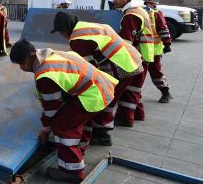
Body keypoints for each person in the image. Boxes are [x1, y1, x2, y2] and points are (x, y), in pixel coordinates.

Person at [10, 39, 117, 182]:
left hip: (92, 95)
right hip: (101, 88)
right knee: (77, 119)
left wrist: (46, 128)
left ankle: (72, 171)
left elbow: (52, 107)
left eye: (23, 63)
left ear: (32, 55)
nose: (22, 68)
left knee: (62, 126)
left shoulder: (45, 74)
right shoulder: (51, 54)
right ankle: (80, 149)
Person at [50, 11, 144, 146]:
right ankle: (102, 130)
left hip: (122, 67)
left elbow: (89, 70)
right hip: (132, 60)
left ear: (65, 29)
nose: (62, 35)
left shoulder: (77, 39)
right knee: (108, 97)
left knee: (103, 97)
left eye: (61, 32)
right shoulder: (88, 26)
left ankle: (102, 134)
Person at [110, 0, 156, 127]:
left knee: (128, 89)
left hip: (137, 56)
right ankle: (138, 114)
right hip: (144, 53)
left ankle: (125, 119)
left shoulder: (130, 15)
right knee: (135, 87)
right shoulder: (138, 10)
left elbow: (126, 42)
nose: (114, 0)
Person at [145, 1, 173, 103]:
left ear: (154, 6)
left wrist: (167, 44)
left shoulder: (156, 14)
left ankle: (166, 92)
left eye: (149, 5)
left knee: (155, 72)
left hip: (154, 50)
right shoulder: (142, 13)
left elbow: (163, 29)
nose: (147, 6)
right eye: (146, 5)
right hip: (143, 49)